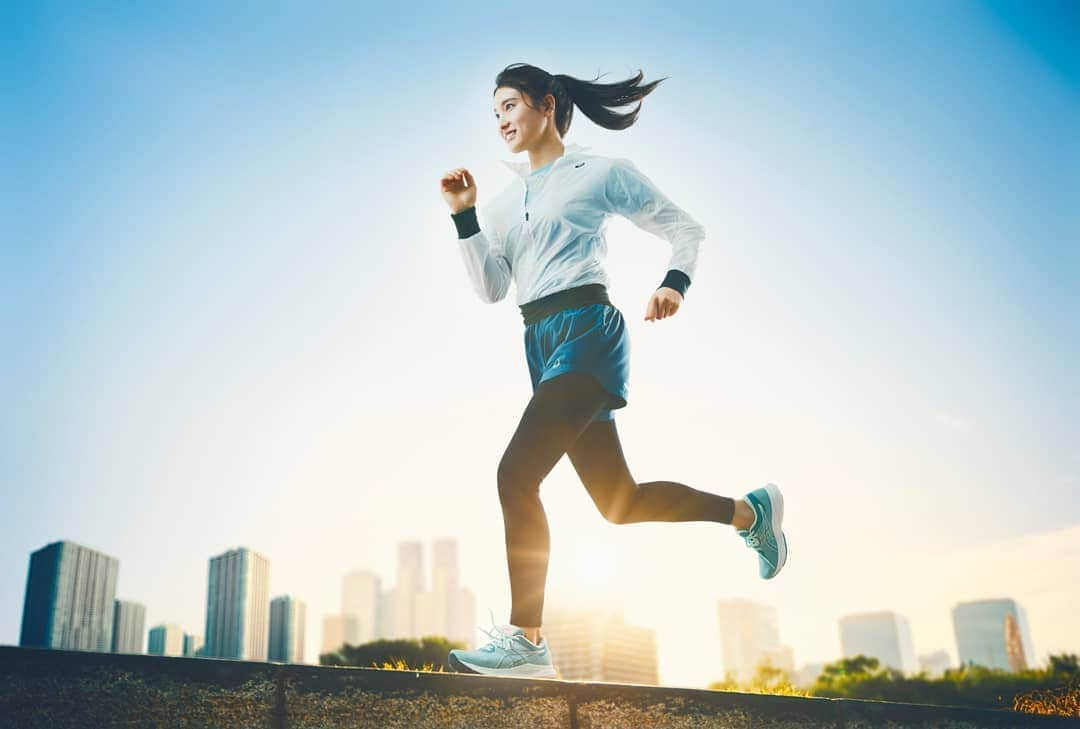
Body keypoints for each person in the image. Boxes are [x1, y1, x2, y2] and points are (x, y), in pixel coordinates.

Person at [437, 63, 787, 679]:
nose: (501, 121)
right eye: (494, 112)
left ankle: (527, 642)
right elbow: (493, 289)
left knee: (515, 475)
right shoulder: (499, 202)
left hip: (589, 331)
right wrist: (464, 215)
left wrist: (674, 284)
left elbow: (684, 228)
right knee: (619, 503)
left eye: (511, 106)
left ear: (547, 105)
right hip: (540, 342)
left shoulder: (598, 172)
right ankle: (749, 513)